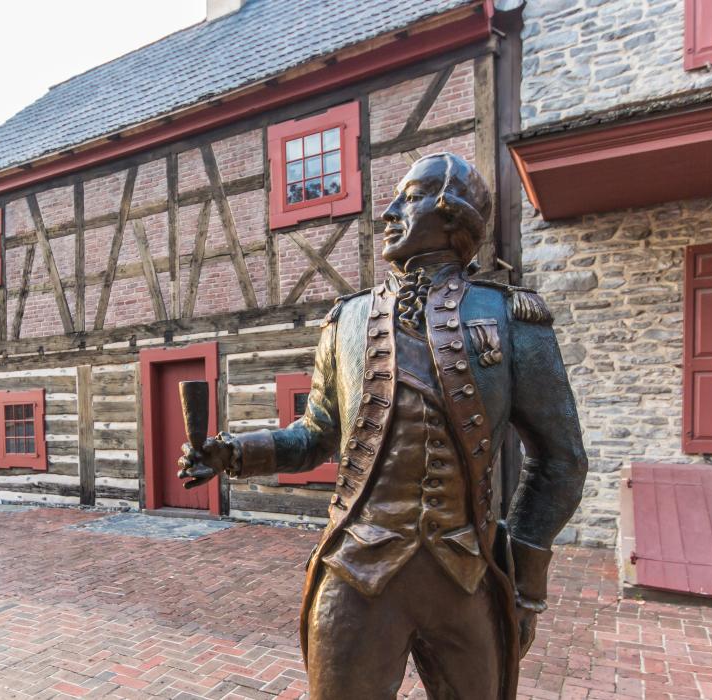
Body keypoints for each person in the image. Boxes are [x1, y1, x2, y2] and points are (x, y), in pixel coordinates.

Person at [178, 153, 587, 699]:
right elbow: (314, 435)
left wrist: (525, 582)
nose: (388, 213)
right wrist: (230, 453)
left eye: (411, 196)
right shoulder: (347, 320)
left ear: (453, 212)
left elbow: (561, 461)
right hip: (356, 575)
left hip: (466, 577)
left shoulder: (512, 320)